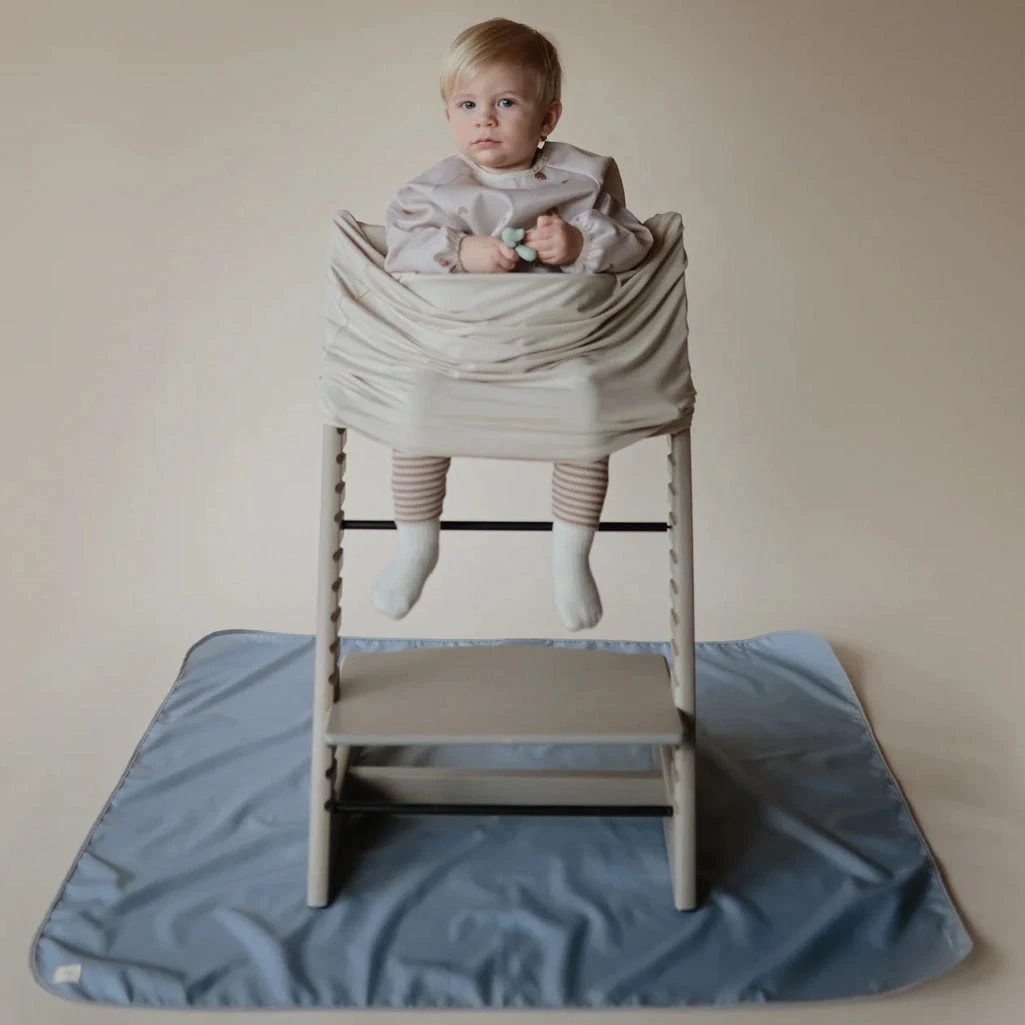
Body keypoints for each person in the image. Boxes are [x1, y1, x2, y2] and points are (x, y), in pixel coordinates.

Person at [374, 16, 654, 631]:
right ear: (448, 115)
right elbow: (401, 247)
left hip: (556, 351)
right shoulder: (434, 191)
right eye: (467, 105)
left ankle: (570, 555)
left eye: (505, 103)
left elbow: (637, 243)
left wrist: (580, 242)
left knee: (587, 409)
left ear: (548, 118)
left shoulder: (579, 182)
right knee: (415, 406)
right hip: (459, 353)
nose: (485, 119)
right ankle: (416, 545)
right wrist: (461, 251)